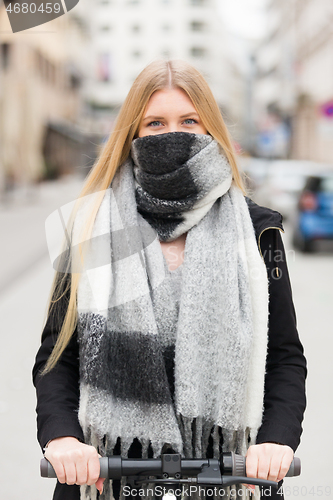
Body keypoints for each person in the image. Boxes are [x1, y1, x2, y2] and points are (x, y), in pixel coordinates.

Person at [33, 59, 307, 500]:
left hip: (229, 474)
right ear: (133, 132)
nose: (172, 134)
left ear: (210, 129)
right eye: (155, 122)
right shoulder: (90, 226)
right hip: (107, 475)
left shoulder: (259, 232)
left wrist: (276, 439)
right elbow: (57, 355)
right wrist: (62, 438)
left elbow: (285, 356)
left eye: (189, 120)